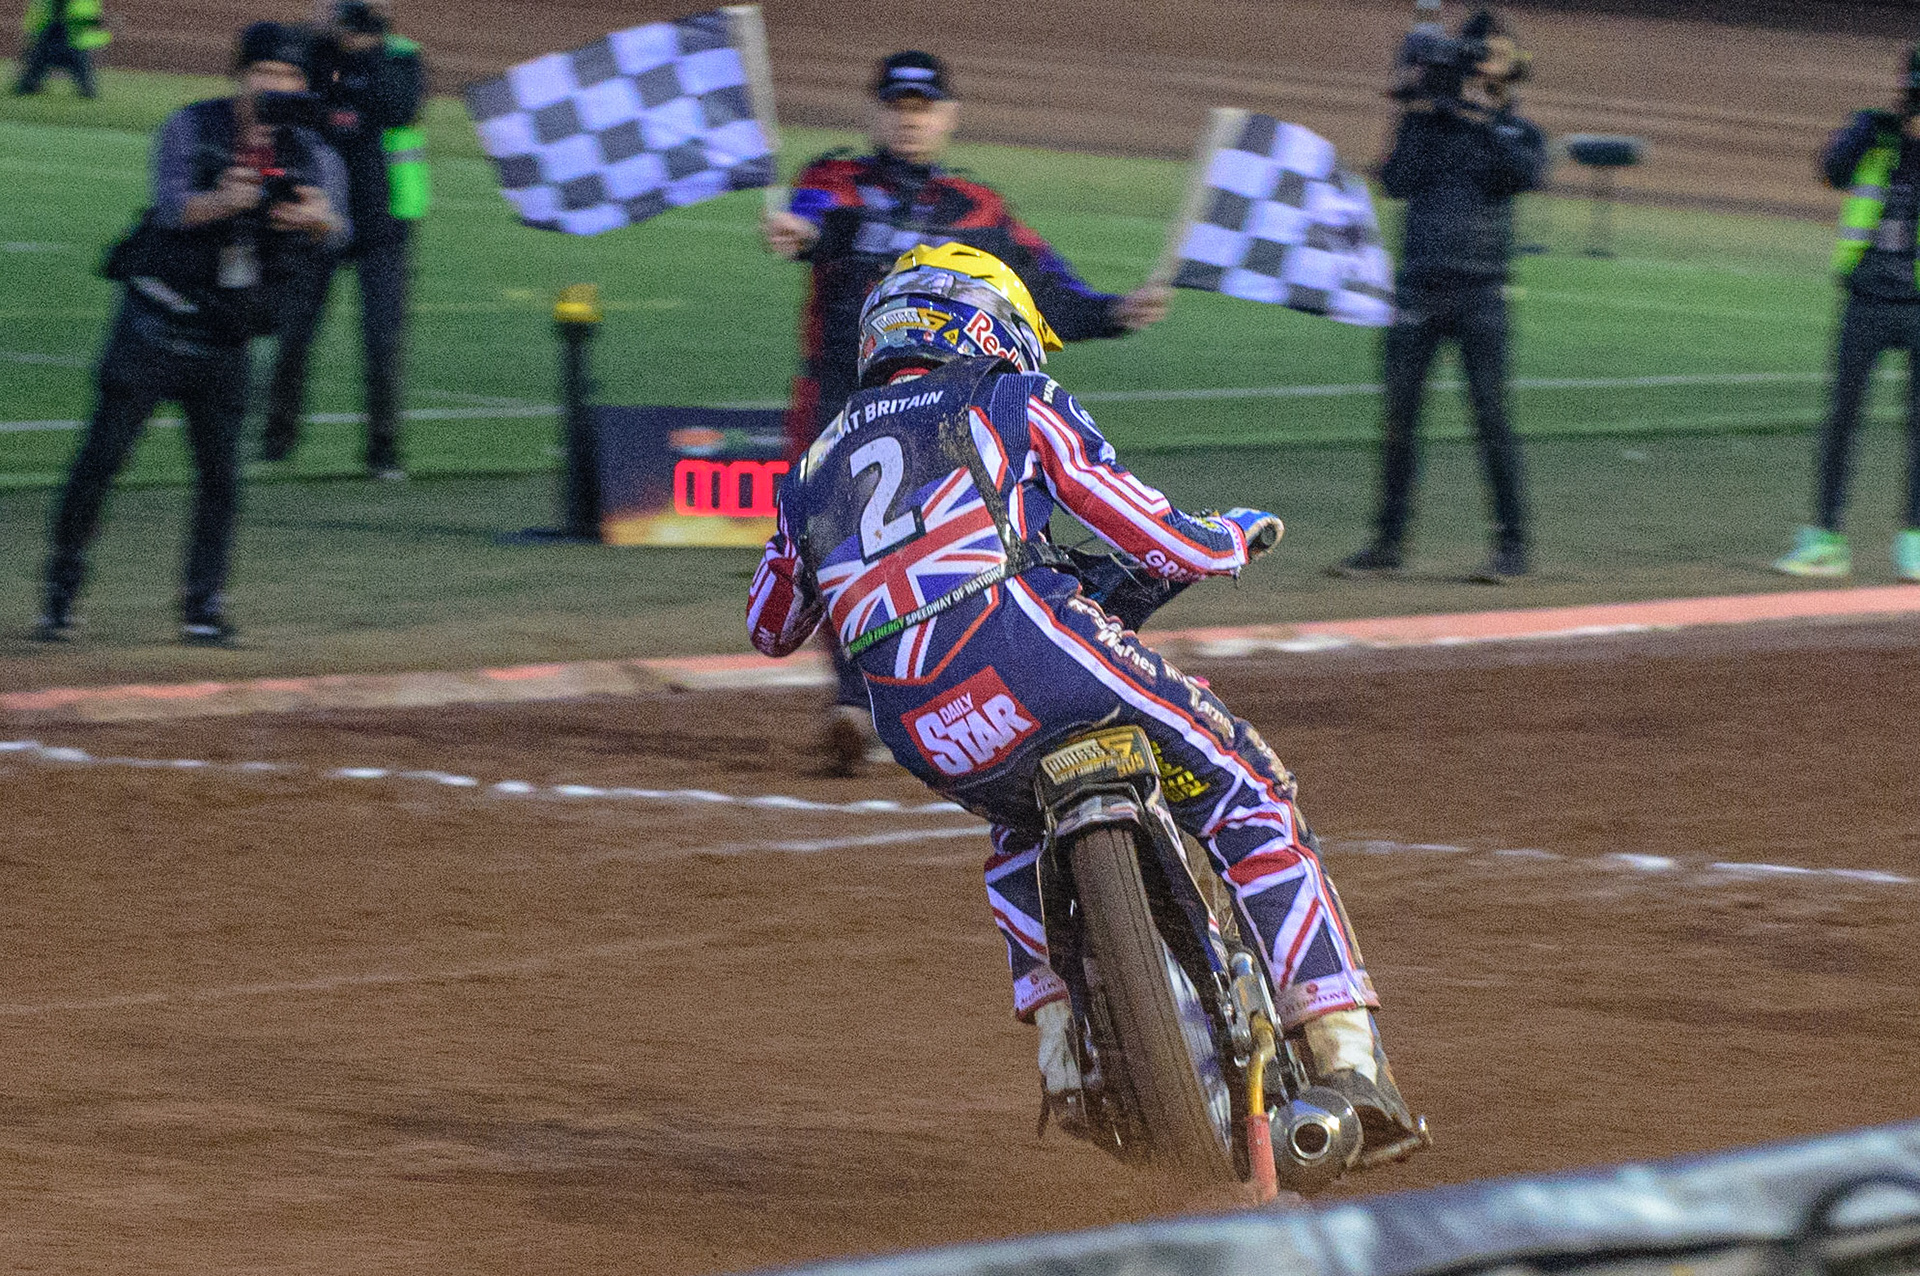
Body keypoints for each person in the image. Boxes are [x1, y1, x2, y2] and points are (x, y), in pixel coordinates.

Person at [746, 243, 1421, 1164]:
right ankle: (1348, 1059)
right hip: (1035, 649)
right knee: (1249, 793)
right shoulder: (1010, 398)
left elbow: (772, 624)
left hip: (920, 720)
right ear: (983, 321)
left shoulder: (814, 462)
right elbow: (1141, 527)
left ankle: (1066, 1052)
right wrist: (1222, 541)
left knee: (1018, 832)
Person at [761, 49, 1170, 773]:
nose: (909, 121)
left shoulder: (979, 209)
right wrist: (803, 232)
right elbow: (817, 217)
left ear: (948, 117)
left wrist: (1117, 311)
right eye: (896, 107)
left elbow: (1045, 288)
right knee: (830, 553)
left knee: (951, 547)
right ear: (874, 112)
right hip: (834, 399)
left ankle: (926, 696)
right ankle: (858, 701)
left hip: (942, 409)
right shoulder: (833, 182)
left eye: (923, 109)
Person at [35, 21, 348, 646]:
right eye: (265, 73)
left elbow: (336, 230)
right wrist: (223, 201)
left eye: (290, 77)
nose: (278, 87)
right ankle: (60, 595)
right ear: (240, 76)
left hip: (226, 340)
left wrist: (317, 219)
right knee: (99, 463)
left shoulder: (314, 153)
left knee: (221, 481)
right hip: (153, 326)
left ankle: (203, 607)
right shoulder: (190, 126)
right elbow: (172, 204)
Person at [1333, 9, 1547, 584]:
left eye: (1497, 57)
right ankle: (1386, 545)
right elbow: (1396, 181)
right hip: (1418, 288)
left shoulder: (1518, 130)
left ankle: (1513, 548)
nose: (1486, 67)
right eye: (1480, 55)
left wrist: (1482, 115)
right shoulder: (1429, 121)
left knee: (1491, 419)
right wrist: (1411, 107)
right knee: (1399, 420)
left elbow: (1521, 175)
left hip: (1482, 293)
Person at [260, 0, 427, 479]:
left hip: (384, 220)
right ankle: (278, 438)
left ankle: (383, 450)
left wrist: (365, 51)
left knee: (382, 341)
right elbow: (280, 88)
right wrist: (319, 33)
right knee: (296, 332)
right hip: (319, 214)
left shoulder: (399, 57)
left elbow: (399, 108)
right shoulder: (313, 52)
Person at [1774, 46, 1920, 583]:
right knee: (1842, 421)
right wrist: (1870, 128)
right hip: (1866, 296)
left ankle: (1915, 542)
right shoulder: (1876, 134)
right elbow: (1832, 171)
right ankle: (1827, 540)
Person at [14, 0, 108, 98]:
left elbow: (91, 17)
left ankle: (28, 85)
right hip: (58, 33)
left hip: (69, 34)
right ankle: (28, 85)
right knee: (40, 59)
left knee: (42, 58)